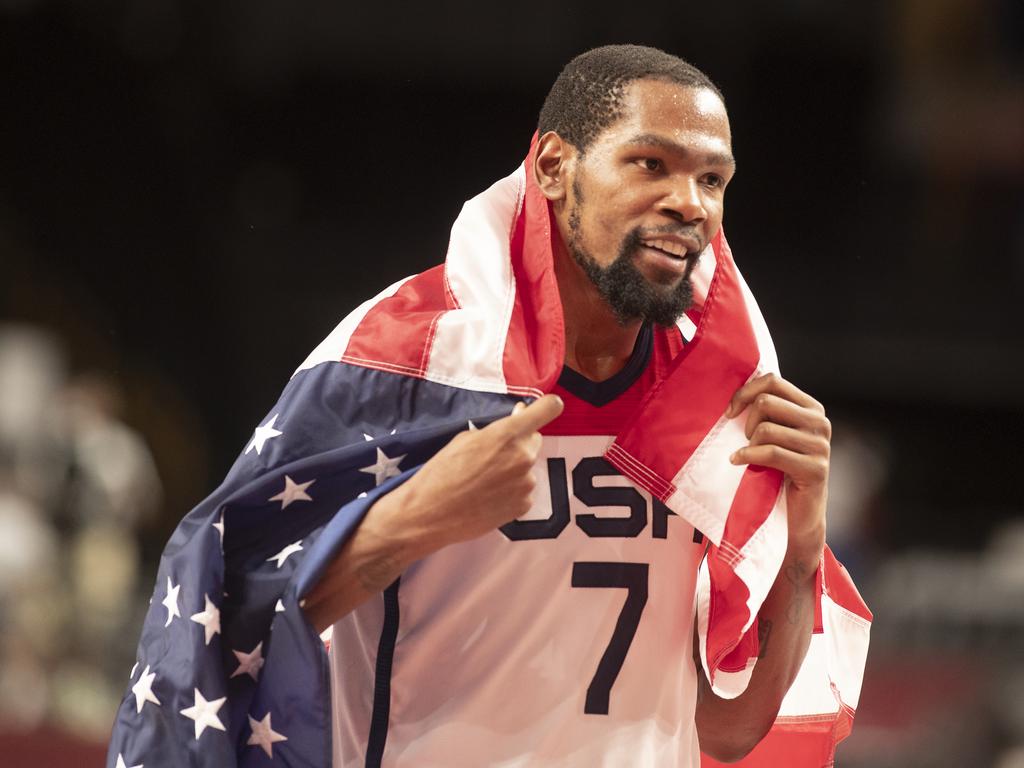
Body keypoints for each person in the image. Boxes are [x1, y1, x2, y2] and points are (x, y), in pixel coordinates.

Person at [108, 45, 870, 768]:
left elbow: (731, 730)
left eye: (713, 179)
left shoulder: (715, 403)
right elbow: (234, 612)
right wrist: (411, 520)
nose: (688, 202)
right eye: (651, 164)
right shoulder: (405, 359)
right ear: (552, 166)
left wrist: (801, 556)